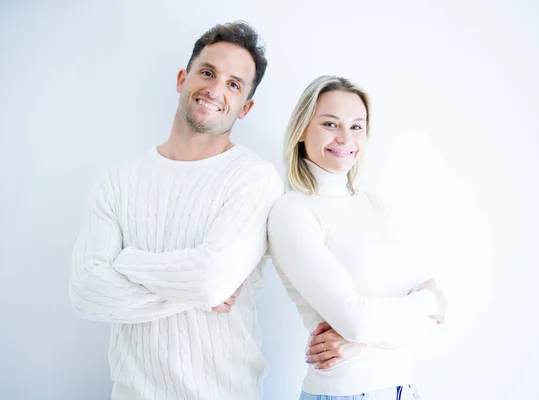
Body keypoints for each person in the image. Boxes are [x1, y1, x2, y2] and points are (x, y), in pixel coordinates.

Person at [69, 21, 283, 400]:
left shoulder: (254, 179)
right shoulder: (116, 181)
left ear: (246, 107)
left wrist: (124, 262)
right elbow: (86, 291)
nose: (215, 89)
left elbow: (208, 280)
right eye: (207, 72)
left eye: (234, 84)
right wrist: (197, 292)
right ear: (182, 78)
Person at [267, 76, 447, 399]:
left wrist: (360, 342)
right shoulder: (291, 213)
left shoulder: (374, 204)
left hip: (404, 388)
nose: (344, 138)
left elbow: (430, 322)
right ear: (302, 130)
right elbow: (363, 319)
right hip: (345, 394)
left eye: (356, 126)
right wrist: (429, 301)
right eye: (330, 124)